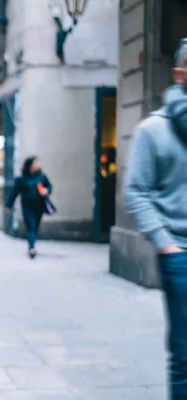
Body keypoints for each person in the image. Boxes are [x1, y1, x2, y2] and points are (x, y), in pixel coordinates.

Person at [124, 38, 187, 400]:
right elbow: (137, 192)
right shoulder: (153, 130)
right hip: (180, 253)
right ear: (179, 74)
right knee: (184, 354)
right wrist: (167, 244)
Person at [5, 156, 52, 259]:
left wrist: (46, 191)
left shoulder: (42, 177)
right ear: (30, 165)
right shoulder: (21, 179)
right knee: (31, 226)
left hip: (39, 206)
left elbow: (49, 186)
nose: (38, 165)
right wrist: (8, 205)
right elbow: (14, 192)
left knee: (35, 226)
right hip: (27, 207)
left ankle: (32, 244)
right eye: (35, 163)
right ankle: (32, 248)